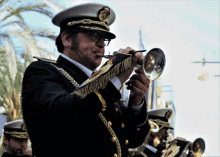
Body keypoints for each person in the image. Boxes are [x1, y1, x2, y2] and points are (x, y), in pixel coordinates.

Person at [21, 3, 151, 157]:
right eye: (94, 35)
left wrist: (136, 101)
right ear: (67, 39)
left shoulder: (105, 87)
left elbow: (134, 139)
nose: (102, 44)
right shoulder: (42, 71)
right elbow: (61, 114)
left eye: (104, 38)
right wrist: (115, 79)